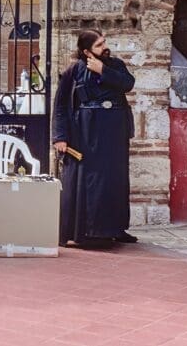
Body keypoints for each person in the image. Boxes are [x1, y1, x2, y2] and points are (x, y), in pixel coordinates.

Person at [52, 30, 137, 247]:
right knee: (89, 180)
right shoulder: (73, 71)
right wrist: (60, 137)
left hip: (114, 132)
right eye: (99, 45)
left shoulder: (115, 65)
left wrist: (104, 71)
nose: (105, 47)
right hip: (85, 132)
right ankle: (86, 233)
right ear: (86, 51)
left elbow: (128, 83)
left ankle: (115, 228)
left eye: (104, 42)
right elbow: (61, 105)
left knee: (114, 180)